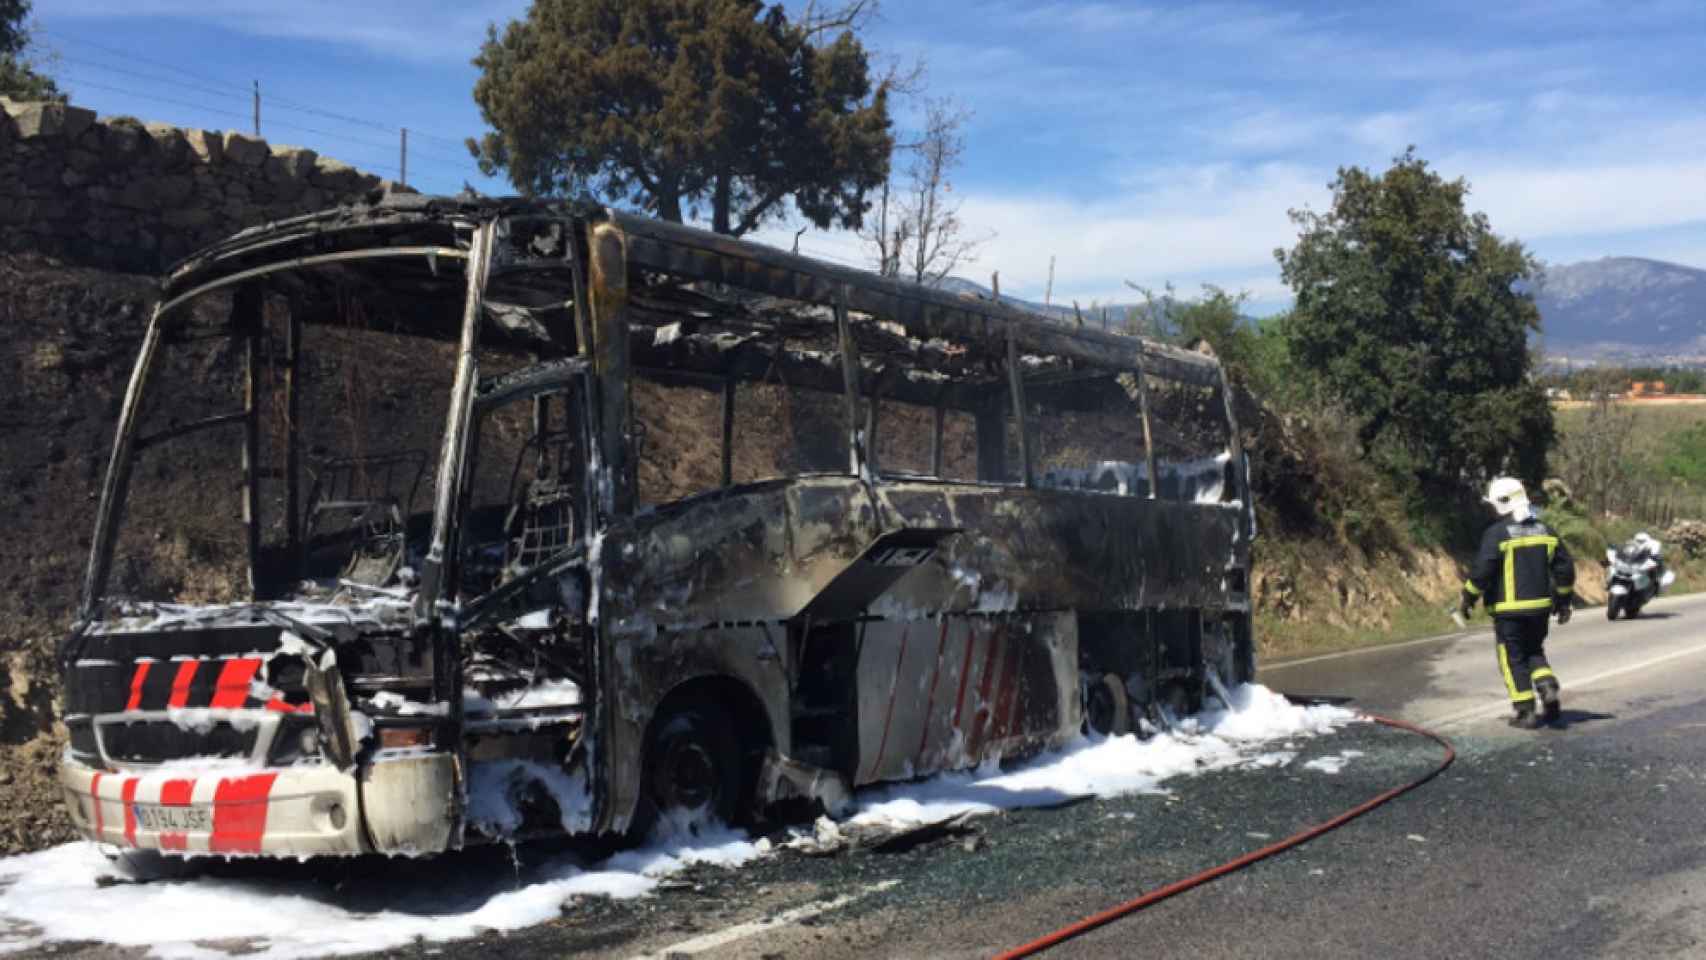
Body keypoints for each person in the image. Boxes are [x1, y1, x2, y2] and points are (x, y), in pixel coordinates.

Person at [1460, 477, 1575, 729]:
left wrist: (1468, 597)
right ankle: (1547, 687)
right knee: (1534, 650)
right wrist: (1564, 600)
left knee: (1513, 658)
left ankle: (1526, 712)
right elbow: (1565, 568)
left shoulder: (1497, 533)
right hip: (1540, 610)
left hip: (1508, 612)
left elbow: (1483, 571)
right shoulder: (1546, 530)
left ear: (1502, 503)